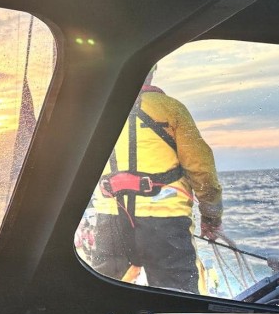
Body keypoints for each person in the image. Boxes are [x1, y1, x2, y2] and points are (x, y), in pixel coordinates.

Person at [91, 65, 222, 292]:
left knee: (100, 298)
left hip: (110, 220)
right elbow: (201, 169)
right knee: (178, 302)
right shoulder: (172, 109)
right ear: (152, 70)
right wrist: (211, 216)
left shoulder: (98, 111)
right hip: (165, 224)